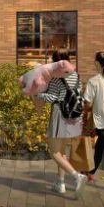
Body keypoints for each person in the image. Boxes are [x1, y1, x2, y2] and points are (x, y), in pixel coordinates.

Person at [38, 49, 87, 196]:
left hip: (60, 115)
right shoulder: (76, 75)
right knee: (62, 151)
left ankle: (77, 177)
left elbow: (53, 97)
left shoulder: (56, 77)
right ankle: (60, 183)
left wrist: (39, 94)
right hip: (72, 116)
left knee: (54, 152)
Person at [83, 51, 104, 180]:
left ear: (97, 63)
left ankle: (90, 172)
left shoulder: (93, 82)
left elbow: (87, 103)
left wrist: (86, 108)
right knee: (101, 145)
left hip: (102, 121)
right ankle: (91, 172)